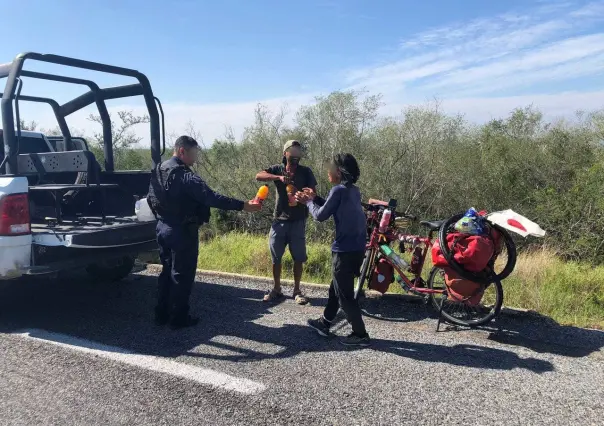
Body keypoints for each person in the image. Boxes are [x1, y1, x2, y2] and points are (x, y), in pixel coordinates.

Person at [147, 136, 261, 329]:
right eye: (194, 153)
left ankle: (161, 314)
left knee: (167, 272)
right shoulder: (184, 175)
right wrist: (243, 206)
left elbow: (150, 199)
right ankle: (179, 319)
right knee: (182, 275)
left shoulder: (159, 170)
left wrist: (163, 217)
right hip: (182, 231)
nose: (196, 158)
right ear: (182, 151)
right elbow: (211, 198)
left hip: (163, 228)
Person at [296, 153, 370, 347]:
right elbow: (332, 206)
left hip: (344, 251)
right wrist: (314, 198)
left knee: (345, 296)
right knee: (335, 289)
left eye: (331, 167)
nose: (328, 170)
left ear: (338, 171)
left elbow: (320, 216)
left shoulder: (338, 190)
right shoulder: (352, 190)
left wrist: (308, 202)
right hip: (357, 249)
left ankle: (360, 334)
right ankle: (325, 323)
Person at [255, 140, 317, 304]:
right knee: (276, 257)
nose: (296, 155)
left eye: (298, 152)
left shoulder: (306, 171)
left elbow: (313, 192)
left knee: (298, 257)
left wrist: (306, 195)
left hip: (298, 220)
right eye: (292, 151)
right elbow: (259, 175)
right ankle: (277, 289)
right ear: (285, 153)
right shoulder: (278, 169)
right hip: (279, 220)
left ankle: (297, 291)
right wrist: (278, 178)